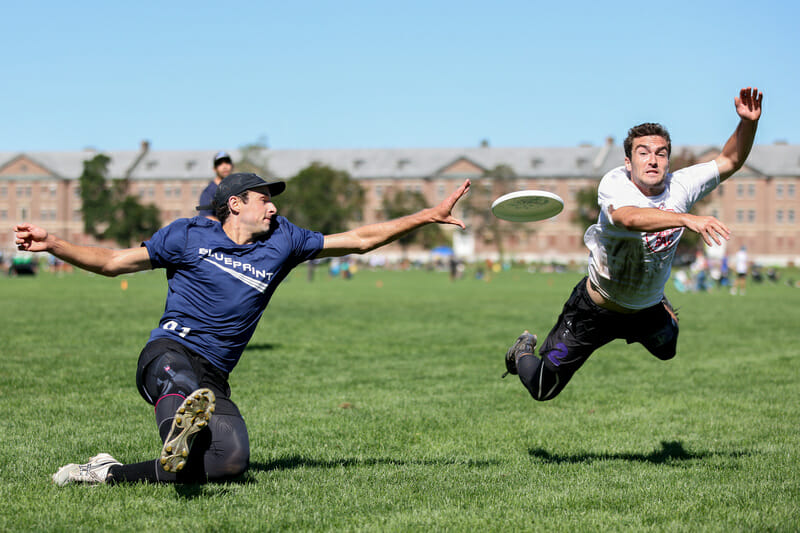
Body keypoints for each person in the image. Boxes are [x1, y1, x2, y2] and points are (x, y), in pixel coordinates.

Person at [15, 172, 471, 485]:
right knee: (181, 385)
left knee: (229, 462)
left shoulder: (284, 241)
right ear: (235, 204)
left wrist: (427, 215)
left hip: (215, 375)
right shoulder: (186, 235)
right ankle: (179, 424)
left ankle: (106, 472)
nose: (273, 208)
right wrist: (52, 242)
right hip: (169, 352)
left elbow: (357, 240)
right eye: (264, 198)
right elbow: (113, 262)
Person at [503, 87, 763, 402]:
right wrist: (686, 219)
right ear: (628, 161)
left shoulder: (681, 186)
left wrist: (748, 123)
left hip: (646, 309)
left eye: (661, 153)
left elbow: (731, 159)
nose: (652, 160)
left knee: (667, 351)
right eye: (643, 152)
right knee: (542, 389)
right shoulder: (615, 185)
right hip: (594, 310)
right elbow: (629, 218)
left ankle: (661, 304)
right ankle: (521, 351)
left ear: (668, 159)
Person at [197, 151, 234, 220]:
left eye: (227, 162)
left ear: (232, 166)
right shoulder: (208, 192)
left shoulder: (238, 188)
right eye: (220, 164)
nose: (224, 166)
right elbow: (206, 216)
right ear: (214, 169)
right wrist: (226, 228)